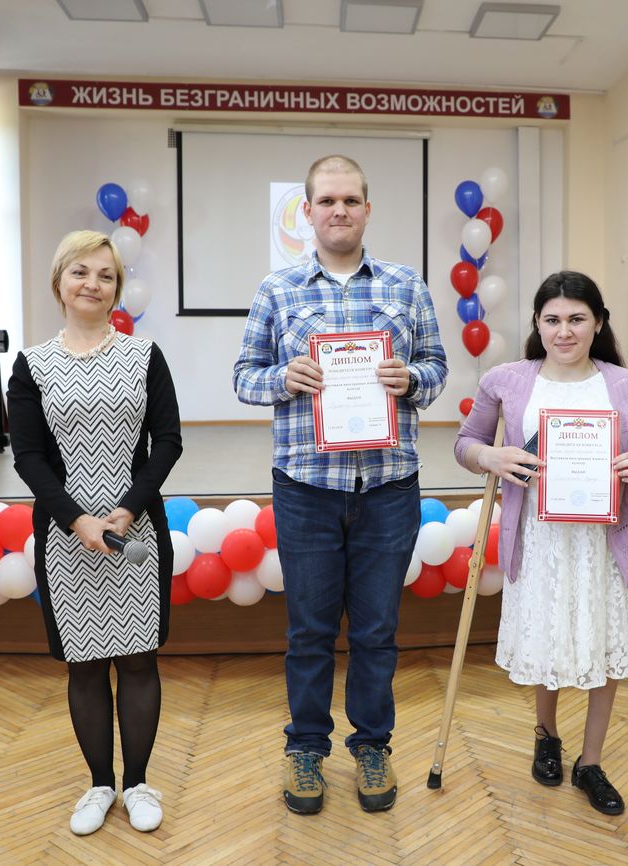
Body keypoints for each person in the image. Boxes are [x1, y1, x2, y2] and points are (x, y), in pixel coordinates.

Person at [233, 154, 447, 815]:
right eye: (327, 201)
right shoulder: (277, 290)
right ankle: (305, 748)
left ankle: (373, 745)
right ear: (307, 211)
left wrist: (412, 380)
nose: (339, 211)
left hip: (388, 486)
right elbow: (244, 377)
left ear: (367, 209)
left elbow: (437, 367)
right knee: (309, 631)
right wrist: (283, 379)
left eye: (351, 200)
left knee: (378, 631)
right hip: (307, 489)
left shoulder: (406, 286)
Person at [455, 271, 628, 815]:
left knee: (602, 642)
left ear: (598, 323)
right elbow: (467, 443)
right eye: (552, 319)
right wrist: (491, 457)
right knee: (547, 637)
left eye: (577, 319)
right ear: (537, 323)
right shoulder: (505, 380)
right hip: (539, 539)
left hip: (602, 541)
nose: (564, 331)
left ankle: (591, 762)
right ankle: (546, 735)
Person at [8, 230, 182, 835]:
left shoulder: (145, 355)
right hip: (65, 539)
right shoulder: (32, 365)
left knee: (137, 661)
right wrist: (77, 520)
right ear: (59, 282)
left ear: (117, 289)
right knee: (83, 667)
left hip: (137, 534)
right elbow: (29, 457)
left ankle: (138, 784)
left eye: (106, 275)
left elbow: (168, 442)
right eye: (80, 272)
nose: (93, 284)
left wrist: (128, 509)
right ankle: (100, 785)